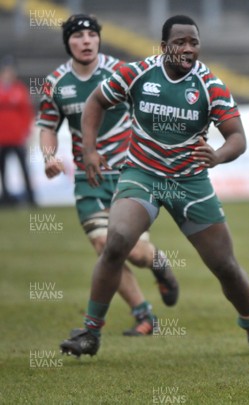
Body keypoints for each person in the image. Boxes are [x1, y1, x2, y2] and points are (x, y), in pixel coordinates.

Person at [59, 15, 249, 357]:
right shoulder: (138, 73)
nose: (188, 49)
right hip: (142, 175)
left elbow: (237, 137)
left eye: (194, 42)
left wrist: (218, 156)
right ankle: (90, 332)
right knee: (115, 243)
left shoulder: (211, 85)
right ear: (164, 47)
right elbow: (96, 102)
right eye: (181, 42)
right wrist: (89, 150)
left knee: (224, 265)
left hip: (190, 182)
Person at [37, 14, 179, 337]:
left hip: (131, 175)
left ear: (99, 39)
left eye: (91, 34)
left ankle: (159, 264)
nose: (85, 40)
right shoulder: (56, 82)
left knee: (136, 252)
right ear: (68, 43)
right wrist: (48, 157)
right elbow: (47, 126)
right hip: (89, 180)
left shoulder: (120, 73)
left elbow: (154, 106)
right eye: (77, 35)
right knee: (105, 247)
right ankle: (144, 313)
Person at [0, 56, 36, 206]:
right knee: (3, 171)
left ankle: (30, 197)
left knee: (24, 168)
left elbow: (27, 113)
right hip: (1, 138)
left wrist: (26, 131)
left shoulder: (20, 89)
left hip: (17, 138)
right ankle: (6, 197)